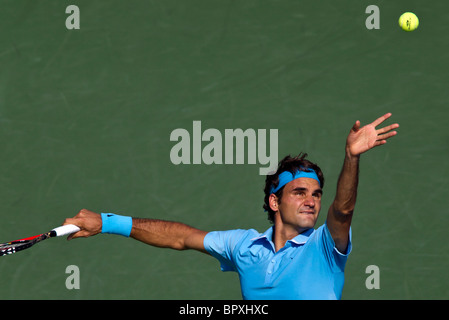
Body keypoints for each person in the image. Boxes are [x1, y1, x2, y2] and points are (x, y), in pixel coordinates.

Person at [63, 113, 399, 300]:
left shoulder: (326, 246)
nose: (311, 201)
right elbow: (181, 237)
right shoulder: (244, 246)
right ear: (274, 201)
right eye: (299, 192)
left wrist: (351, 158)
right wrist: (106, 222)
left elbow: (342, 210)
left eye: (316, 193)